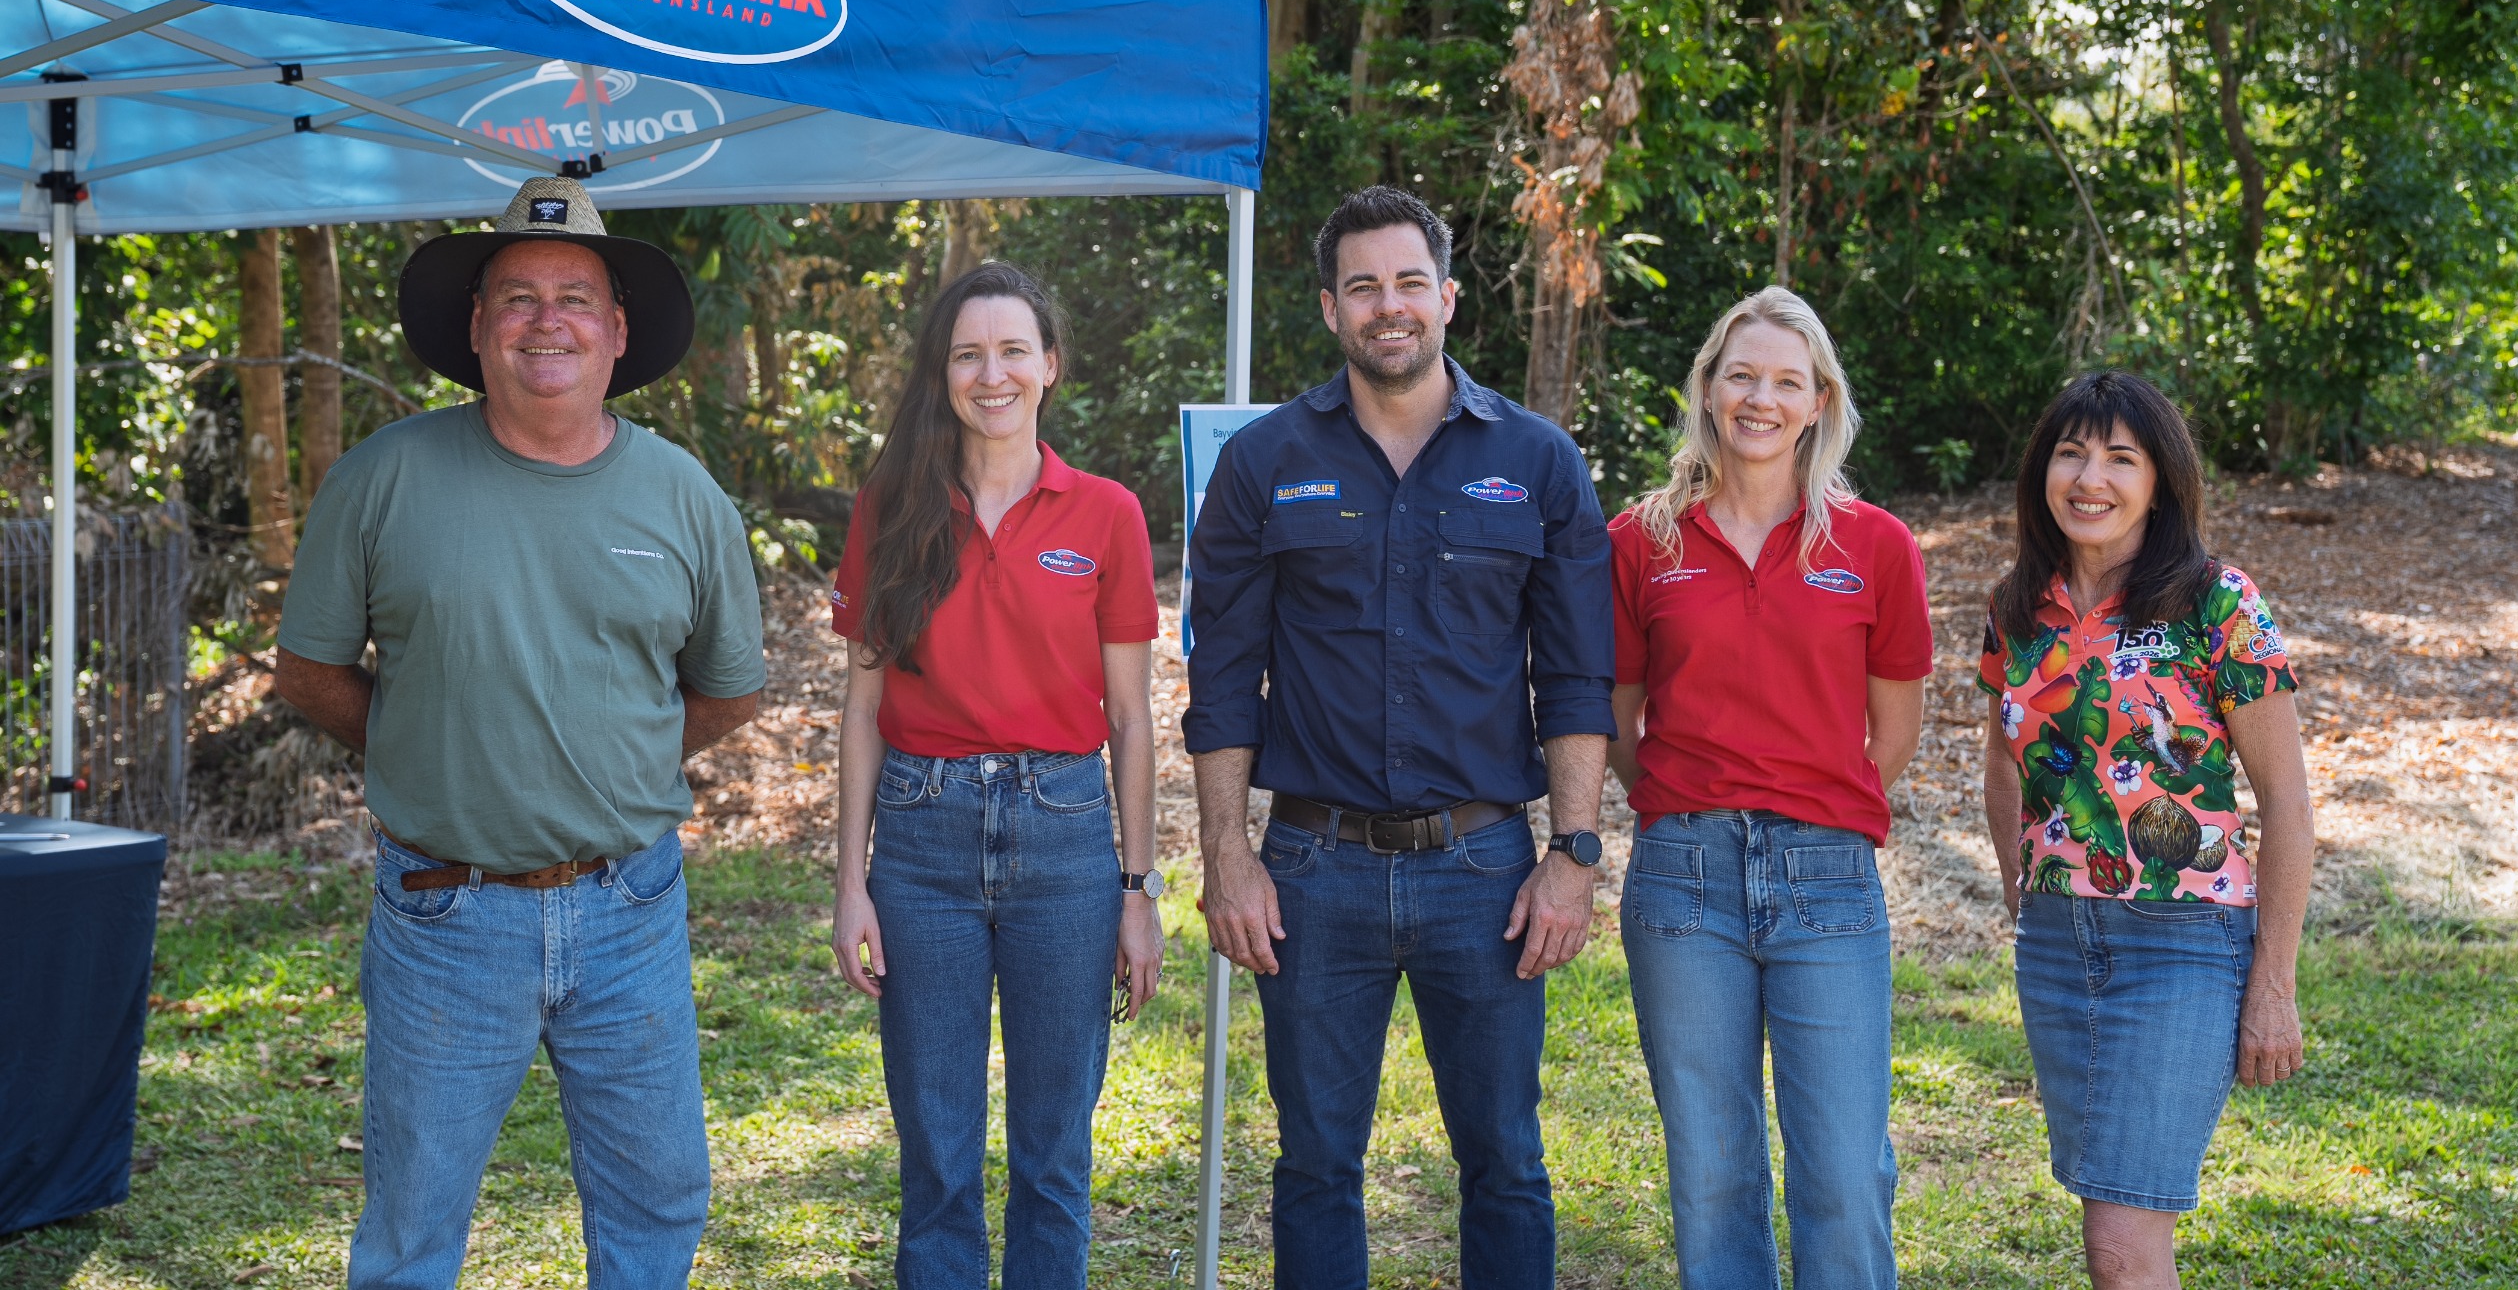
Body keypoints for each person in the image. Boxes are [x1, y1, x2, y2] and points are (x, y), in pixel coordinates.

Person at [274, 176, 767, 1290]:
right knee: (412, 1220)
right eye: (518, 296)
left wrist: (611, 762)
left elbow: (731, 691)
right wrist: (426, 743)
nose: (548, 319)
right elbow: (308, 670)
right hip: (444, 913)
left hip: (631, 908)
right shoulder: (383, 478)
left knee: (656, 1199)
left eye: (576, 296)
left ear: (619, 328)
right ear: (476, 326)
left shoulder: (684, 497)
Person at [1184, 185, 1615, 1290]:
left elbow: (1574, 677)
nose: (1390, 306)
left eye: (1409, 282)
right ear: (1330, 307)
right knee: (1317, 1163)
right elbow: (1224, 675)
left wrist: (1571, 857)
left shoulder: (1538, 458)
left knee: (1505, 1161)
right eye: (1364, 285)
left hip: (1485, 867)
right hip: (1311, 869)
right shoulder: (1262, 462)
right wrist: (1227, 853)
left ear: (1449, 297)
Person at [825, 261, 1164, 1289]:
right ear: (943, 370)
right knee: (935, 1151)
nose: (992, 372)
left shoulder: (1105, 513)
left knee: (1053, 1152)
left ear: (1050, 365)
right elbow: (863, 706)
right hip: (921, 840)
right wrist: (851, 885)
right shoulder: (891, 505)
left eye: (1013, 349)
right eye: (968, 352)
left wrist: (1137, 891)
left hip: (1066, 840)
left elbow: (1128, 719)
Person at [1605, 287, 1929, 1290]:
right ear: (1705, 388)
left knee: (1840, 1168)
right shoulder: (1641, 540)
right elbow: (1617, 719)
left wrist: (1810, 805)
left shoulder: (1874, 546)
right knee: (1709, 1169)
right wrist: (1690, 796)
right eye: (1740, 373)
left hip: (1826, 873)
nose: (1760, 396)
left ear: (1818, 399)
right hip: (1681, 875)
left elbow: (1897, 726)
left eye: (1786, 379)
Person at [1978, 370, 2313, 1290]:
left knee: (2123, 1248)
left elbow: (2285, 802)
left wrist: (2272, 984)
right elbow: (2003, 760)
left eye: (2121, 457)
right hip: (2055, 945)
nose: (2091, 477)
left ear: (2160, 481)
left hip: (2184, 944)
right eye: (2072, 451)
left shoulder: (2217, 604)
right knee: (2108, 1228)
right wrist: (2026, 885)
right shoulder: (2018, 607)